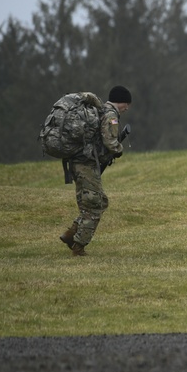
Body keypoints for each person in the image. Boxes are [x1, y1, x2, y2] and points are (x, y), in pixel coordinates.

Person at [59, 85, 131, 256]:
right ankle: (78, 245)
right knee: (94, 205)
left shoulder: (99, 110)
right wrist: (119, 149)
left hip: (78, 163)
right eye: (127, 104)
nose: (127, 108)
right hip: (87, 164)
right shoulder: (111, 115)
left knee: (94, 202)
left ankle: (70, 235)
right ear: (122, 102)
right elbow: (110, 141)